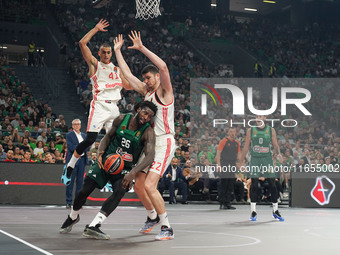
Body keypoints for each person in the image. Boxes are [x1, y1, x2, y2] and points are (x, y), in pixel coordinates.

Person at [59, 101, 157, 240]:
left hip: (125, 168)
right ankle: (73, 216)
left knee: (120, 191)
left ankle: (94, 225)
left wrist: (133, 172)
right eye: (145, 113)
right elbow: (108, 137)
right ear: (139, 110)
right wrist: (100, 153)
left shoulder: (148, 131)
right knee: (84, 190)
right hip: (106, 160)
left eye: (150, 116)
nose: (146, 118)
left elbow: (150, 156)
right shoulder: (122, 118)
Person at [114, 32, 176, 240]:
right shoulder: (146, 93)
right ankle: (152, 216)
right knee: (139, 185)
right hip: (150, 143)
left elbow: (164, 66)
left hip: (164, 141)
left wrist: (141, 48)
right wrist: (117, 52)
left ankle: (167, 227)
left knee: (150, 185)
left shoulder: (165, 92)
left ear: (156, 77)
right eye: (145, 79)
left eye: (148, 78)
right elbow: (128, 75)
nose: (146, 81)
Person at [62, 19, 131, 186]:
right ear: (99, 54)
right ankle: (70, 166)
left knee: (115, 142)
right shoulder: (95, 64)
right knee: (90, 139)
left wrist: (124, 65)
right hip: (99, 105)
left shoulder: (116, 69)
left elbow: (128, 86)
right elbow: (82, 43)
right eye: (104, 52)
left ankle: (108, 174)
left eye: (109, 52)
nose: (106, 54)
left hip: (114, 108)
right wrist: (95, 29)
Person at [240, 115, 284, 221]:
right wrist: (241, 160)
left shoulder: (270, 130)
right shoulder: (251, 130)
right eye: (256, 117)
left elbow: (275, 144)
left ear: (264, 118)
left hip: (267, 159)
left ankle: (275, 210)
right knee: (254, 184)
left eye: (260, 116)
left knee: (273, 184)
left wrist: (278, 154)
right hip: (255, 158)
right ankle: (253, 211)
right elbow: (246, 146)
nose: (258, 118)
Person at [65, 119, 89, 209]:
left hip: (82, 160)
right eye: (75, 124)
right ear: (72, 125)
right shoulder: (69, 135)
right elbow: (71, 147)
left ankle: (78, 202)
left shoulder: (84, 135)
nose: (76, 126)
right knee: (70, 182)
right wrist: (82, 147)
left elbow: (87, 148)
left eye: (78, 124)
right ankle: (68, 202)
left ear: (80, 125)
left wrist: (82, 148)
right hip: (73, 160)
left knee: (80, 182)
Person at [216, 127, 241, 210]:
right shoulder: (223, 141)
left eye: (234, 131)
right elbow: (218, 154)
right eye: (231, 131)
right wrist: (219, 165)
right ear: (228, 132)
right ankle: (222, 202)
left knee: (230, 184)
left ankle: (228, 202)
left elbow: (238, 155)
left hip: (232, 164)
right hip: (224, 164)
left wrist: (240, 165)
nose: (232, 133)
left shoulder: (237, 143)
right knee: (224, 184)